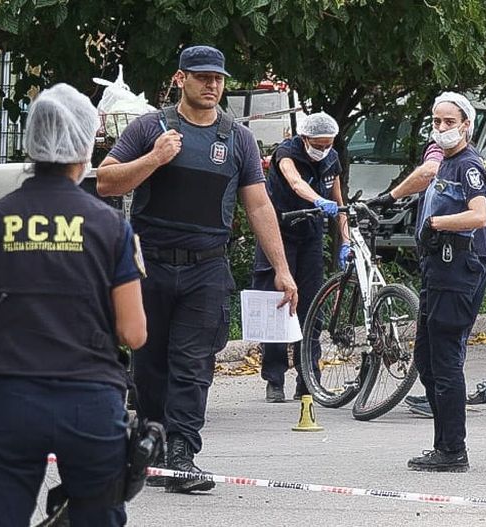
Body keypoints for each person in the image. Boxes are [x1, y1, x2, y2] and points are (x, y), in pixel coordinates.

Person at [97, 45, 297, 493]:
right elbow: (106, 180)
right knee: (149, 365)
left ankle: (182, 452)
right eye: (203, 76)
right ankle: (152, 444)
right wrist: (154, 158)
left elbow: (259, 205)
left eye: (218, 78)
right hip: (149, 265)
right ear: (180, 78)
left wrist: (282, 269)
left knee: (192, 365)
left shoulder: (237, 138)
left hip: (206, 268)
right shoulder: (151, 127)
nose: (211, 85)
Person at [0, 83, 147, 526]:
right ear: (85, 145)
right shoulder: (110, 227)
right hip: (91, 401)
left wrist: (15, 331)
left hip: (11, 398)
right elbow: (133, 333)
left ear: (32, 142)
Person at [373, 92, 486, 472]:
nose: (441, 128)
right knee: (425, 359)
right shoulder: (446, 161)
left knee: (445, 360)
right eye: (437, 121)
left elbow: (479, 216)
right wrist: (390, 200)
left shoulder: (468, 165)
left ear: (466, 125)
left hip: (458, 269)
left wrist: (436, 224)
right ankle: (443, 444)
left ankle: (453, 450)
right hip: (438, 269)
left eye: (449, 122)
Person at [254, 112, 349, 402]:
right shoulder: (287, 153)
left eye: (328, 145)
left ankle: (308, 377)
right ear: (305, 138)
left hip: (310, 236)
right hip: (279, 234)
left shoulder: (332, 159)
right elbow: (295, 183)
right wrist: (318, 200)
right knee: (277, 303)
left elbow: (339, 203)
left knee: (312, 306)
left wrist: (345, 240)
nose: (323, 150)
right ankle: (274, 378)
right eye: (318, 145)